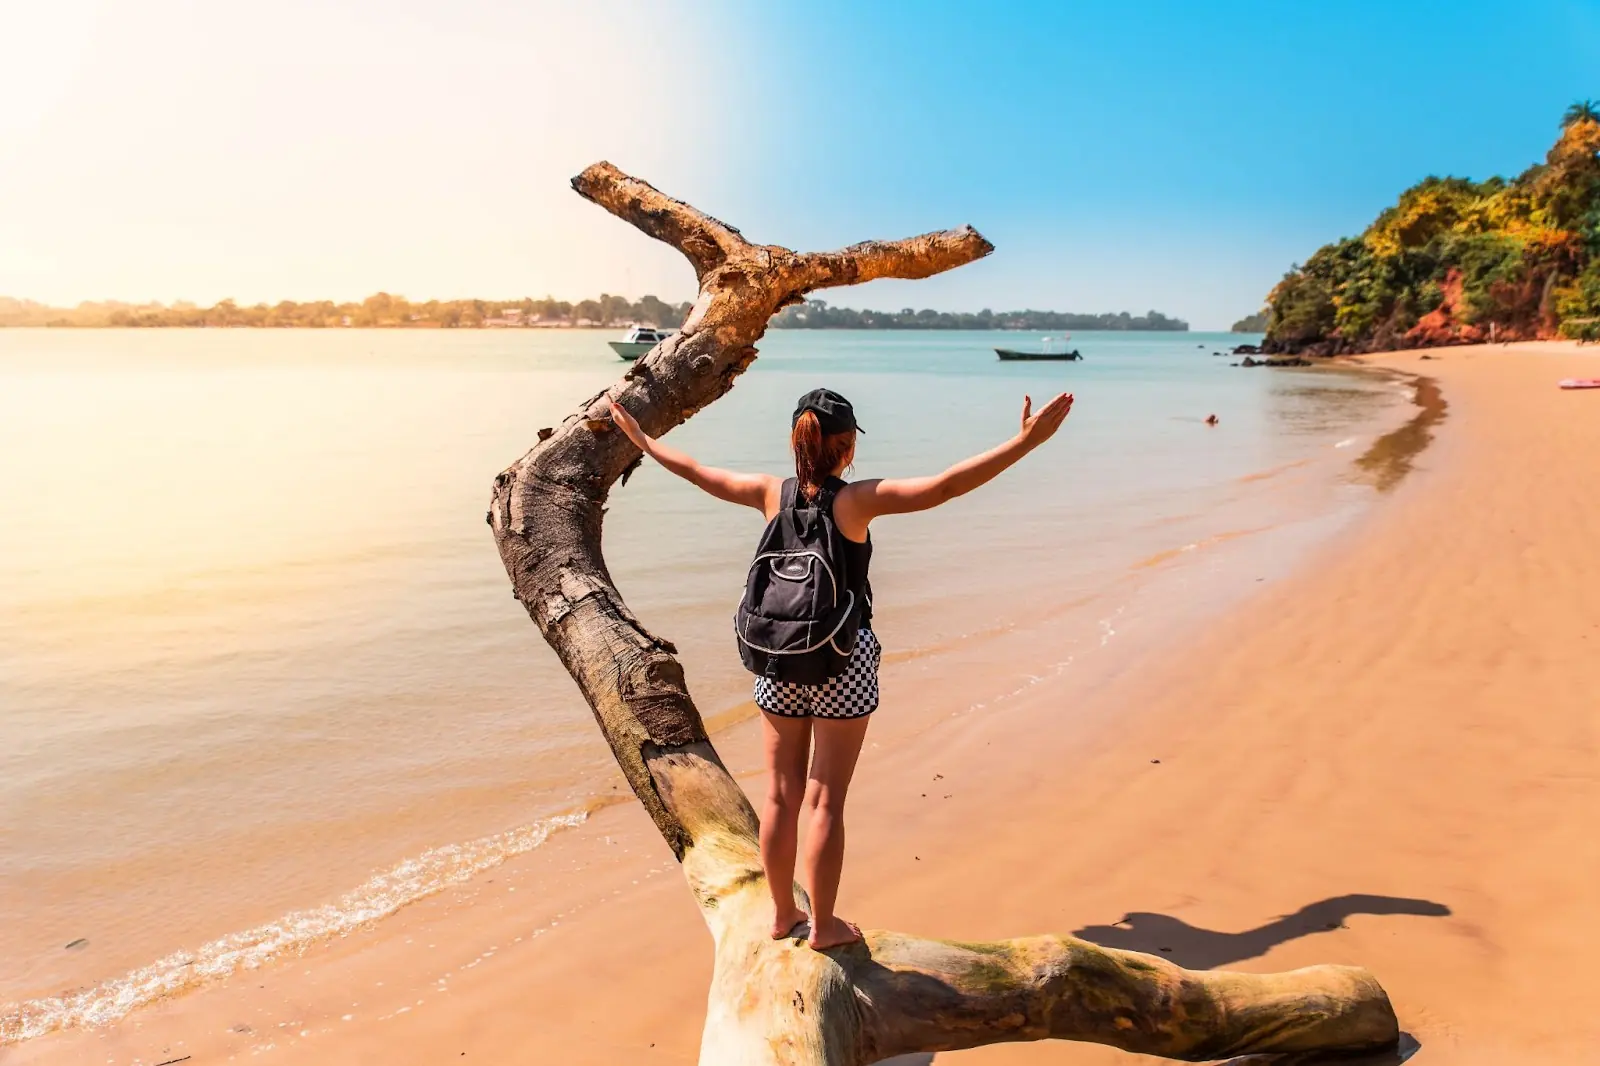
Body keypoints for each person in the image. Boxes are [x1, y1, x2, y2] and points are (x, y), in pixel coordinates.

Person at [607, 387, 1074, 949]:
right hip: (843, 665)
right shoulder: (856, 501)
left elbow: (697, 471)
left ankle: (782, 915)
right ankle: (823, 925)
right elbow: (946, 486)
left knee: (780, 796)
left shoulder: (767, 494)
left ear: (796, 440)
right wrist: (1024, 443)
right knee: (825, 796)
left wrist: (642, 440)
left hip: (777, 662)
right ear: (846, 447)